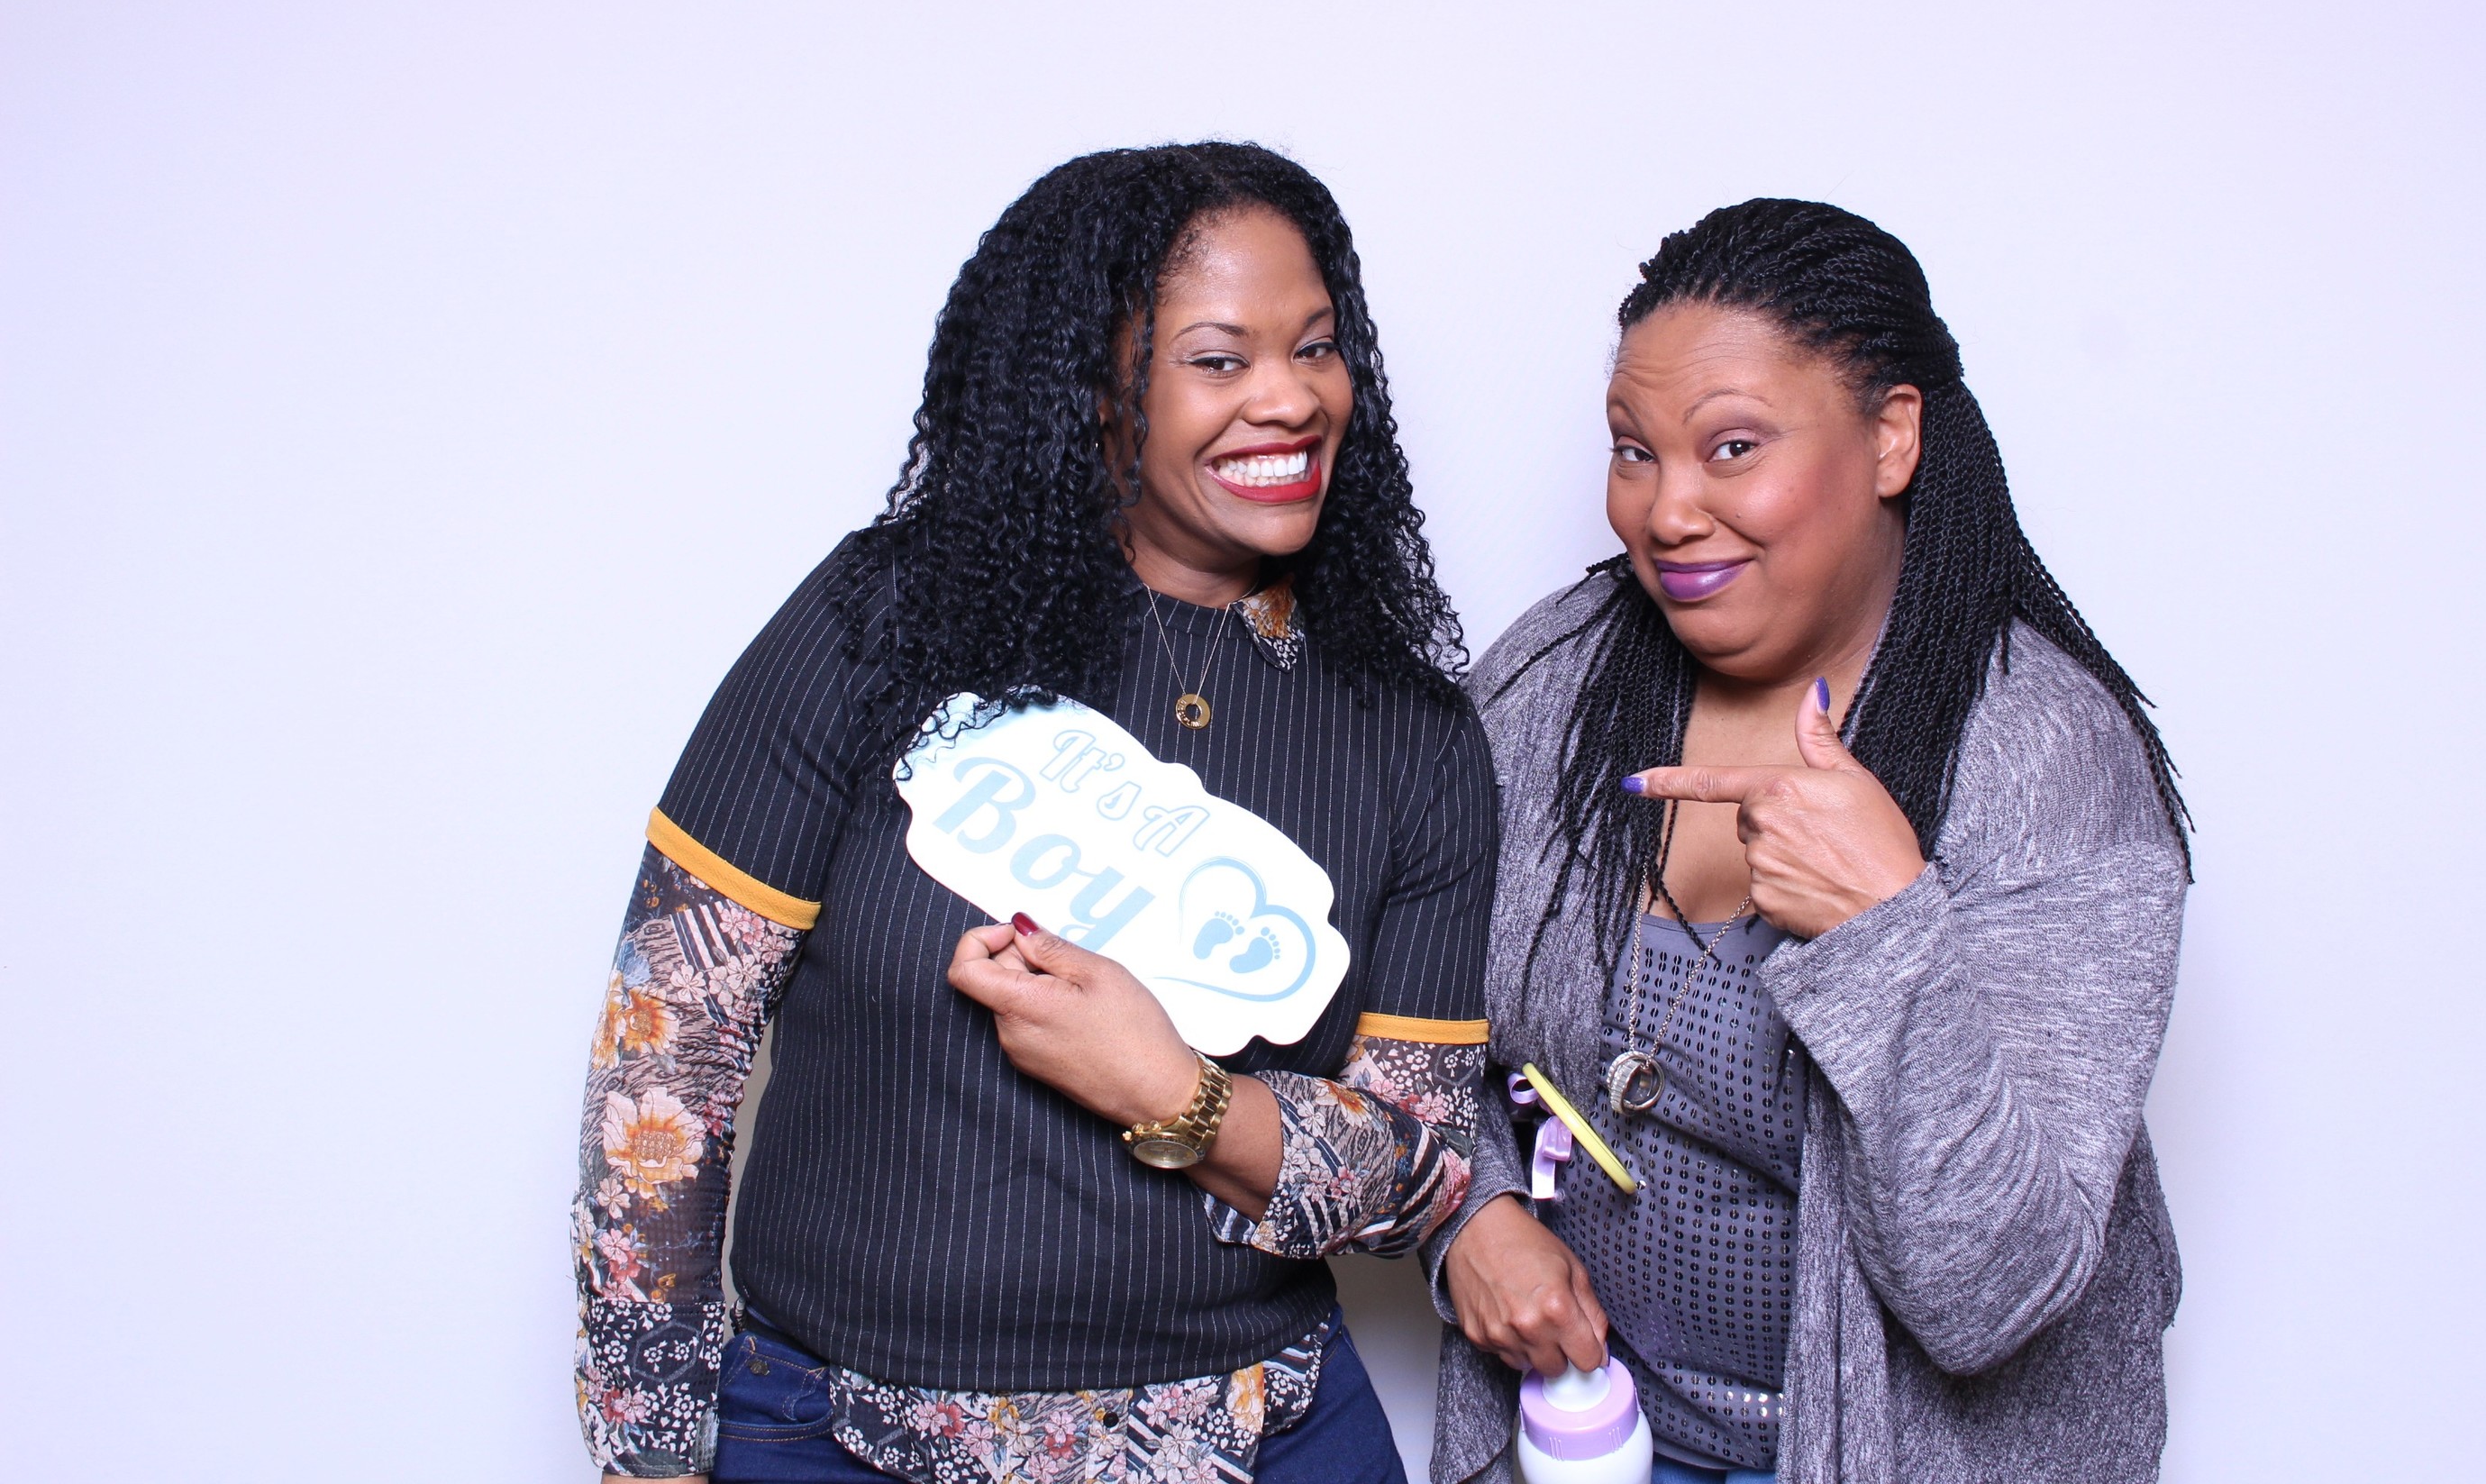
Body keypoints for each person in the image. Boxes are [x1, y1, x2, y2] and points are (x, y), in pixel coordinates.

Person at [572, 142, 1498, 1484]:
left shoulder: (1411, 733)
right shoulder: (884, 622)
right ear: (1095, 384)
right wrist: (650, 1453)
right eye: (1221, 359)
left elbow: (1418, 1175)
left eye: (1317, 348)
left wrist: (1177, 1093)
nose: (1292, 399)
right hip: (841, 1440)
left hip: (1262, 1440)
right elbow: (668, 1048)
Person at [1427, 200, 2191, 1484]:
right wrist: (1472, 1214)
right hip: (1600, 1437)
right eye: (1634, 452)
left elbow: (1990, 1296)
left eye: (1732, 447)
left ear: (1892, 438)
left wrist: (1881, 926)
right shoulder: (1554, 680)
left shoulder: (2042, 760)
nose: (1668, 511)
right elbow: (1412, 1004)